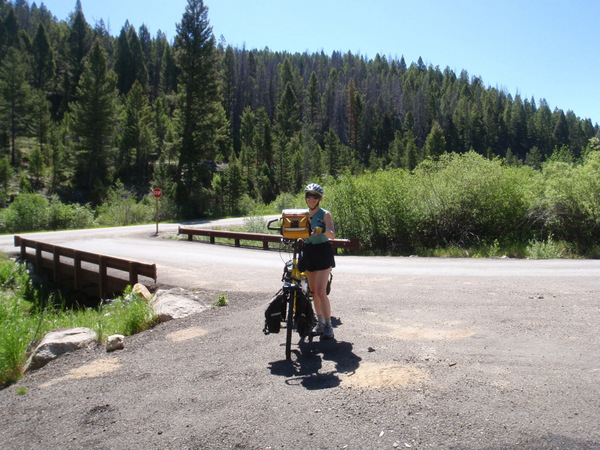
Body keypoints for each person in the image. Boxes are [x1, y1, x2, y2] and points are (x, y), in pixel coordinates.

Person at [301, 183, 336, 340]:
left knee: (321, 291)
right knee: (313, 291)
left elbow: (332, 234)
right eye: (309, 195)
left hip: (323, 251)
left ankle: (328, 326)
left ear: (319, 199)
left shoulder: (324, 214)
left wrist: (322, 231)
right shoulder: (303, 214)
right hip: (309, 252)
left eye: (315, 196)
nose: (312, 199)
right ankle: (320, 323)